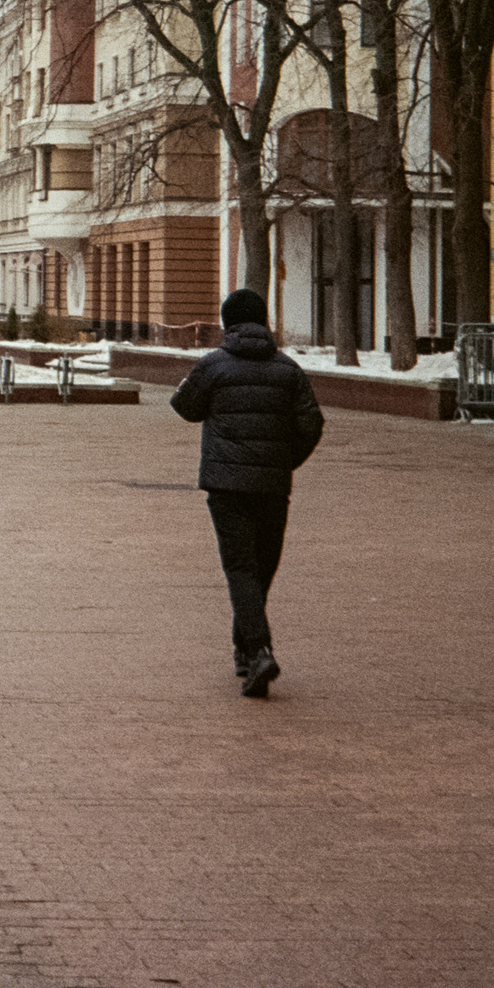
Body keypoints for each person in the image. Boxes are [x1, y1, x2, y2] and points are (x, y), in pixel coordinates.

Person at [171, 288, 324, 699]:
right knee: (262, 567)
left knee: (241, 568)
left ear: (228, 324)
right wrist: (284, 461)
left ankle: (257, 651)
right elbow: (312, 424)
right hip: (273, 486)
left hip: (226, 486)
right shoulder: (288, 370)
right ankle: (246, 650)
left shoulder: (213, 365)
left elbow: (184, 407)